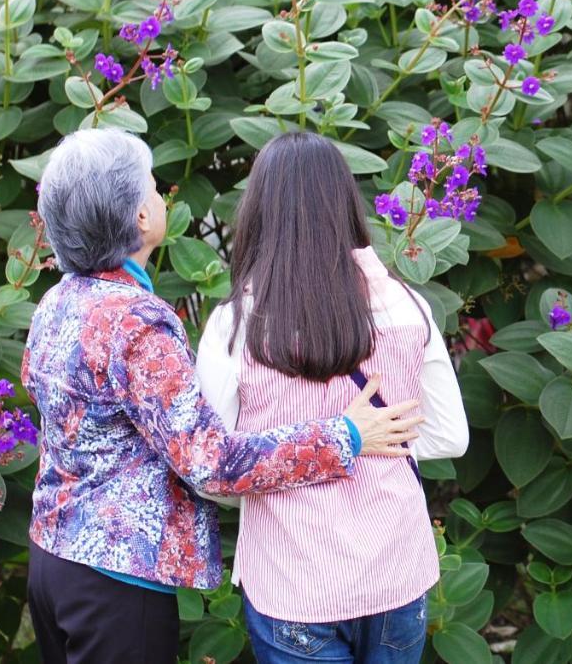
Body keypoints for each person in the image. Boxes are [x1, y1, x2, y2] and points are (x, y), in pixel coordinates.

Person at [23, 128, 423, 664]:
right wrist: (345, 434)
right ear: (140, 217)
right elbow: (210, 461)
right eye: (151, 186)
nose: (161, 193)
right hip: (113, 578)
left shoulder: (57, 303)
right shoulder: (136, 322)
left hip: (52, 556)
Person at [195, 131, 470, 663]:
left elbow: (215, 470)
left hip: (293, 578)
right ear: (346, 204)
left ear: (258, 213)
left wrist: (275, 484)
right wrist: (371, 445)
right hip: (395, 570)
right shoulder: (407, 306)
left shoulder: (235, 324)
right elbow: (449, 436)